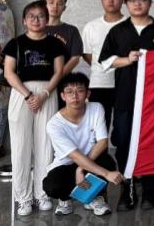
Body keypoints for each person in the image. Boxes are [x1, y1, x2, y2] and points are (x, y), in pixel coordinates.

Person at [98, 0, 154, 211]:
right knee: (123, 143)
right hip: (125, 98)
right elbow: (105, 61)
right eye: (132, 0)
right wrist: (127, 60)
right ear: (126, 4)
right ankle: (127, 189)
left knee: (152, 142)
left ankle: (149, 189)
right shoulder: (118, 31)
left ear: (150, 2)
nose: (138, 3)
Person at [3, 0, 65, 216]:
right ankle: (23, 198)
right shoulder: (15, 43)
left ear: (47, 20)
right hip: (21, 94)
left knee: (45, 145)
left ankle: (42, 193)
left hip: (47, 93)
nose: (36, 20)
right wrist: (29, 95)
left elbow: (59, 72)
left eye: (40, 16)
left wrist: (44, 94)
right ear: (24, 20)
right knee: (20, 146)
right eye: (31, 16)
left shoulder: (55, 44)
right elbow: (9, 73)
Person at [43, 72, 125, 216]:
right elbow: (75, 156)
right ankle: (65, 199)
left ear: (88, 93)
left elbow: (103, 142)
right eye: (69, 92)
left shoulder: (96, 108)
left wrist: (81, 169)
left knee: (107, 162)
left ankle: (95, 197)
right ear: (63, 96)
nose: (75, 96)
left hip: (91, 159)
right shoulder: (54, 124)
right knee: (52, 185)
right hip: (66, 164)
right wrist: (106, 174)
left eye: (80, 91)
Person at [81, 0, 126, 132]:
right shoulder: (91, 26)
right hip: (99, 83)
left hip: (125, 83)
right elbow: (87, 54)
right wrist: (101, 66)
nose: (111, 1)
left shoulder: (129, 24)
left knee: (123, 128)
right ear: (101, 0)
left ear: (123, 0)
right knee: (99, 128)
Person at [43, 0, 83, 76]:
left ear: (64, 8)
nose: (55, 6)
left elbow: (75, 58)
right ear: (44, 5)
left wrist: (57, 77)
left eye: (60, 3)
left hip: (63, 79)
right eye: (51, 2)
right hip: (37, 78)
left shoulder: (72, 30)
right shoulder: (36, 28)